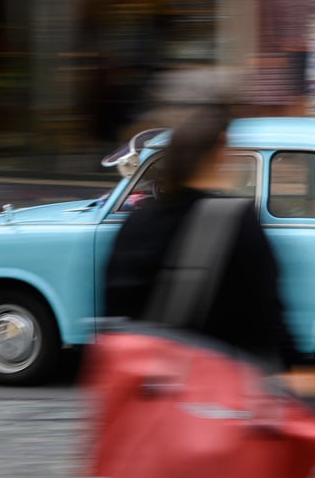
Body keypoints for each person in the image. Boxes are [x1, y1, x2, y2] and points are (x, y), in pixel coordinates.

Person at [102, 103, 300, 372]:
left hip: (146, 387)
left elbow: (116, 312)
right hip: (214, 388)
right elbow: (266, 318)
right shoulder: (238, 220)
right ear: (221, 147)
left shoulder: (136, 221)